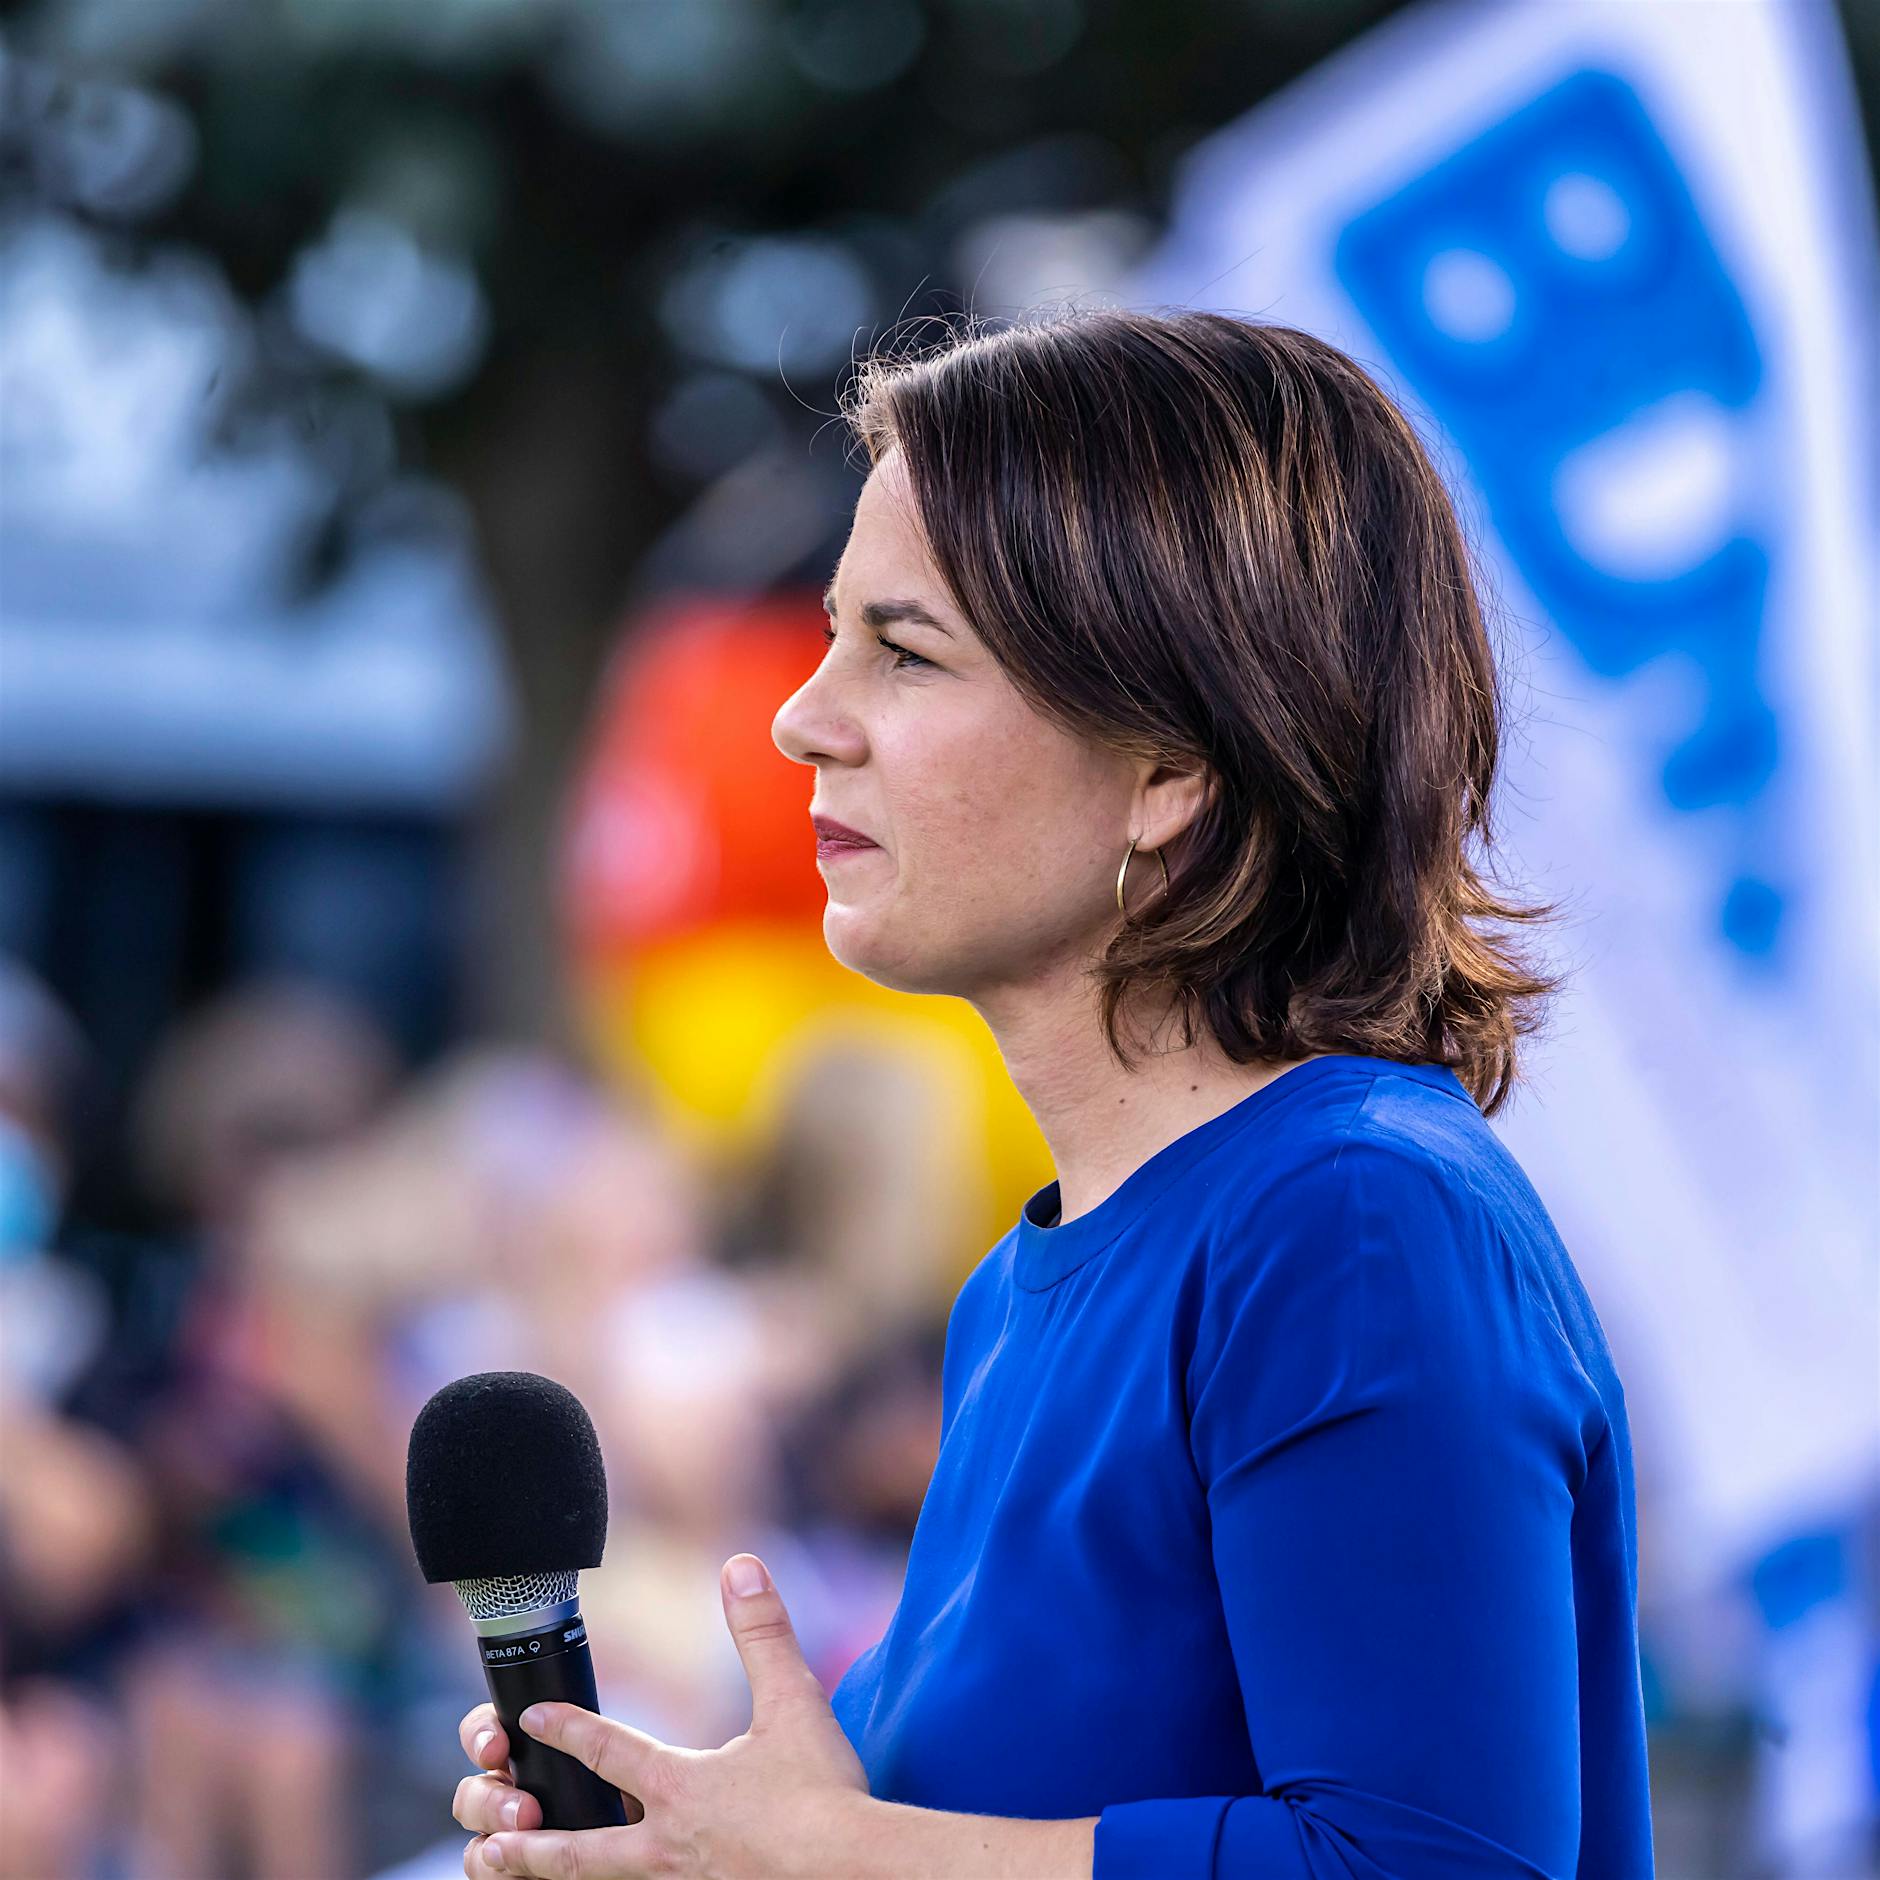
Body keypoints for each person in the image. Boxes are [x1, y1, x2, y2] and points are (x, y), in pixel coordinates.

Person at [447, 307, 1655, 1879]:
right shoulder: (1019, 1292)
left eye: (902, 651)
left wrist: (842, 1854)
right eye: (830, 636)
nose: (803, 718)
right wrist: (703, 1835)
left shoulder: (1354, 1220)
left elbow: (1430, 1861)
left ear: (1171, 767)